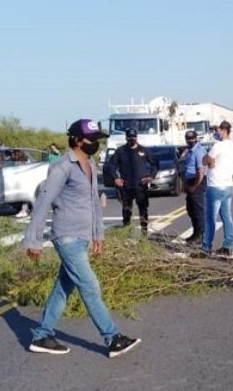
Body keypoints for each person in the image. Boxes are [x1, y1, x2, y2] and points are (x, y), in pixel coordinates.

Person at [23, 118, 141, 358]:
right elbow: (44, 202)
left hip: (82, 237)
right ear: (77, 140)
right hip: (66, 236)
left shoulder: (89, 164)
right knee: (89, 285)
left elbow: (94, 204)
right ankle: (112, 338)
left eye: (98, 139)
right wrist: (33, 240)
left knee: (62, 289)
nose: (95, 143)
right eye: (92, 140)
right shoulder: (63, 167)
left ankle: (42, 335)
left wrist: (98, 234)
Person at [110, 128, 158, 233]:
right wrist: (116, 178)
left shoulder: (143, 150)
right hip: (126, 186)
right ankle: (126, 231)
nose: (132, 139)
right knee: (127, 210)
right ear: (126, 138)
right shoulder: (121, 151)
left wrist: (151, 176)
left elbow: (155, 164)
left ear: (136, 137)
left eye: (133, 137)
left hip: (140, 185)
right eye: (129, 137)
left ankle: (144, 233)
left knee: (143, 210)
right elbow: (111, 165)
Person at [201, 120, 233, 256]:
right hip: (228, 185)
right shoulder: (232, 146)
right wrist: (212, 161)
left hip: (215, 185)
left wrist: (211, 162)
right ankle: (228, 245)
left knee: (210, 218)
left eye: (217, 130)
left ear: (223, 130)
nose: (215, 133)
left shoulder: (219, 146)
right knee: (226, 216)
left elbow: (205, 159)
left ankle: (206, 247)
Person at [183, 130, 207, 244]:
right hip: (190, 180)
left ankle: (201, 235)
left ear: (196, 138)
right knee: (190, 209)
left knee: (198, 210)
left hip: (198, 181)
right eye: (188, 139)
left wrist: (194, 186)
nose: (190, 140)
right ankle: (196, 232)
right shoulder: (189, 151)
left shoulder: (199, 151)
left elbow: (201, 171)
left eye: (192, 138)